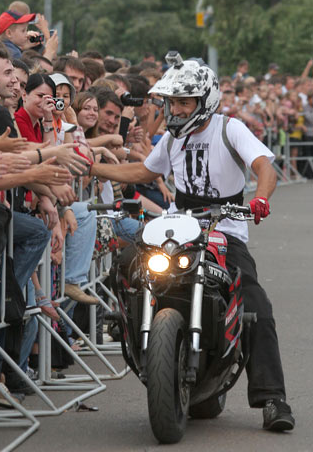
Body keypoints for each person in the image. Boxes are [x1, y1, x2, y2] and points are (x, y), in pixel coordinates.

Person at [90, 53, 295, 432]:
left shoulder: (228, 129)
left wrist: (261, 198)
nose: (177, 110)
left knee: (255, 303)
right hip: (178, 229)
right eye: (172, 102)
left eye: (185, 102)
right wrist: (93, 166)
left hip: (225, 233)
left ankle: (273, 399)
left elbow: (264, 166)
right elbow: (145, 170)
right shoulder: (171, 139)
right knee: (129, 266)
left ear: (205, 101)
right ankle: (125, 323)